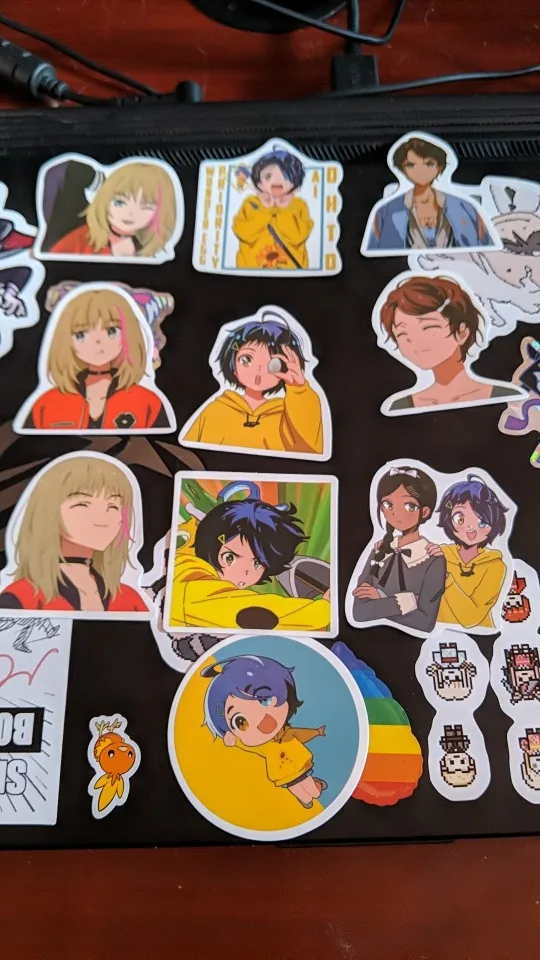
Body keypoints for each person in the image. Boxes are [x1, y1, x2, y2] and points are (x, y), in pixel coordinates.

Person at [169, 481, 331, 632]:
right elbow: (256, 614)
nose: (246, 573)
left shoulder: (188, 551)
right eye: (230, 558)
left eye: (257, 564)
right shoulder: (193, 587)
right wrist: (324, 608)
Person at [0, 456, 148, 613]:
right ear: (48, 512)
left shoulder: (129, 598)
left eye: (113, 506)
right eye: (83, 504)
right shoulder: (23, 596)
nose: (102, 517)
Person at [23, 288, 170, 431]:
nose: (97, 342)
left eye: (111, 331)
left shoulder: (148, 401)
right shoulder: (47, 403)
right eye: (81, 334)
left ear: (129, 334)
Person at [181, 313, 325, 455]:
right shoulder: (214, 411)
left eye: (272, 363)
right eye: (246, 360)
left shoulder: (287, 415)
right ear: (233, 366)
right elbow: (188, 453)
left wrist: (299, 390)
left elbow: (310, 449)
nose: (259, 369)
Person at [379, 275, 523, 410]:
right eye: (402, 334)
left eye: (428, 328)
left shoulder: (507, 397)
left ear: (462, 332)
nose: (414, 341)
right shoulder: (400, 407)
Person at [202, 655, 327, 809]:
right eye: (240, 722)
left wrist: (316, 732)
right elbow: (246, 746)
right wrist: (233, 740)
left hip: (299, 764)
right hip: (282, 774)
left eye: (265, 700)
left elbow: (301, 734)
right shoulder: (263, 747)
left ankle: (316, 787)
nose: (261, 722)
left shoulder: (287, 734)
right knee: (300, 792)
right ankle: (306, 797)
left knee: (314, 792)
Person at [350, 465, 446, 633]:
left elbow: (425, 622)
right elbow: (358, 612)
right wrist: (410, 601)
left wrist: (379, 598)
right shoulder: (379, 550)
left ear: (424, 512)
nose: (396, 513)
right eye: (388, 504)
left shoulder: (433, 559)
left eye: (409, 506)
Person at [365, 136, 497, 252]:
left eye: (429, 164)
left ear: (439, 167)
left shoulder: (465, 206)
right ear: (402, 168)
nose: (420, 171)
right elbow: (372, 256)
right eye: (411, 165)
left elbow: (488, 249)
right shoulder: (386, 210)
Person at [49, 162, 177, 258]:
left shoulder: (150, 249)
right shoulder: (81, 239)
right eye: (120, 202)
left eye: (146, 207)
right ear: (104, 200)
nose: (130, 213)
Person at [436, 475, 509, 630]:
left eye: (482, 522)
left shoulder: (495, 567)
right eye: (460, 519)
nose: (471, 529)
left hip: (477, 636)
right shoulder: (440, 555)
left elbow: (470, 618)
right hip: (432, 633)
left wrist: (446, 581)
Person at [232, 148, 314, 270]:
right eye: (268, 176)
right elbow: (243, 233)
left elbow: (297, 237)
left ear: (295, 184)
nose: (276, 181)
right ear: (259, 183)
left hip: (291, 269)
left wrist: (284, 210)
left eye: (286, 177)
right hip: (251, 267)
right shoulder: (251, 203)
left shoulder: (299, 205)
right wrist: (264, 210)